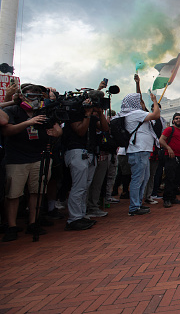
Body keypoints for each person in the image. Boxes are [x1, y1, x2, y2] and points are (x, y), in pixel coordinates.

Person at [1, 83, 58, 241]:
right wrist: (28, 122)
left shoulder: (43, 112)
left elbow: (57, 130)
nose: (35, 100)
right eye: (31, 96)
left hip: (39, 157)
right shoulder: (12, 111)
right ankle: (11, 226)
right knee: (13, 194)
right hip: (16, 159)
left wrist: (54, 131)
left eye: (38, 97)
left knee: (37, 191)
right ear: (22, 96)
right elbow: (6, 130)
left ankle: (33, 222)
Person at [63, 87, 109, 229]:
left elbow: (105, 128)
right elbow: (81, 131)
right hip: (76, 151)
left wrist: (100, 113)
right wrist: (88, 114)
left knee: (84, 187)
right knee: (78, 187)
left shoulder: (93, 115)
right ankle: (74, 219)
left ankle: (81, 215)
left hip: (90, 153)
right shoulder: (75, 112)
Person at [119, 92, 160, 216]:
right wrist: (154, 101)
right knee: (138, 179)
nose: (142, 103)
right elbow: (156, 115)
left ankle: (138, 203)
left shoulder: (136, 113)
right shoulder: (134, 114)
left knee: (144, 178)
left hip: (143, 150)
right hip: (138, 150)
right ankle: (134, 207)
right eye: (140, 101)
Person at [159, 113, 180, 208]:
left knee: (177, 178)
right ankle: (166, 198)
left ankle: (173, 196)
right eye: (176, 118)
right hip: (170, 156)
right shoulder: (169, 129)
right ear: (173, 120)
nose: (178, 120)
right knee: (170, 177)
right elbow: (161, 140)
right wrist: (168, 148)